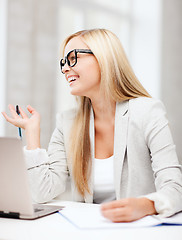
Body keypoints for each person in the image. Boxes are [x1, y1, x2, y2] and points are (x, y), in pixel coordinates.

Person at [2, 28, 182, 223]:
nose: (64, 68)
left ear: (104, 58)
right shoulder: (67, 122)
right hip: (89, 229)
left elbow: (175, 188)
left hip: (140, 230)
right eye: (63, 62)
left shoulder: (147, 112)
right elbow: (43, 192)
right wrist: (32, 134)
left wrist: (146, 205)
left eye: (72, 58)